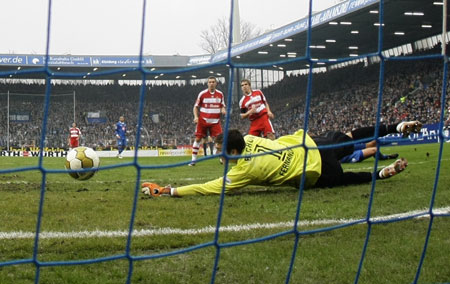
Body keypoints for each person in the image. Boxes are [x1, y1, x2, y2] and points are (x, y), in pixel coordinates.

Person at [141, 120, 422, 197]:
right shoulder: (248, 139)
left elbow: (208, 187)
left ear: (234, 152)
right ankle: (393, 128)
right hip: (312, 145)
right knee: (351, 138)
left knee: (346, 180)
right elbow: (240, 142)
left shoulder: (243, 173)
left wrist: (170, 190)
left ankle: (380, 174)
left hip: (314, 174)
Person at [189, 76, 226, 166]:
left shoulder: (220, 94)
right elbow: (196, 106)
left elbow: (222, 105)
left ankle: (221, 158)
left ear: (216, 83)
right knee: (198, 139)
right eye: (210, 82)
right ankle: (193, 160)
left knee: (220, 140)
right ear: (207, 83)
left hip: (215, 121)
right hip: (203, 121)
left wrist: (223, 109)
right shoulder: (202, 94)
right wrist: (195, 117)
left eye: (213, 82)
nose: (211, 83)